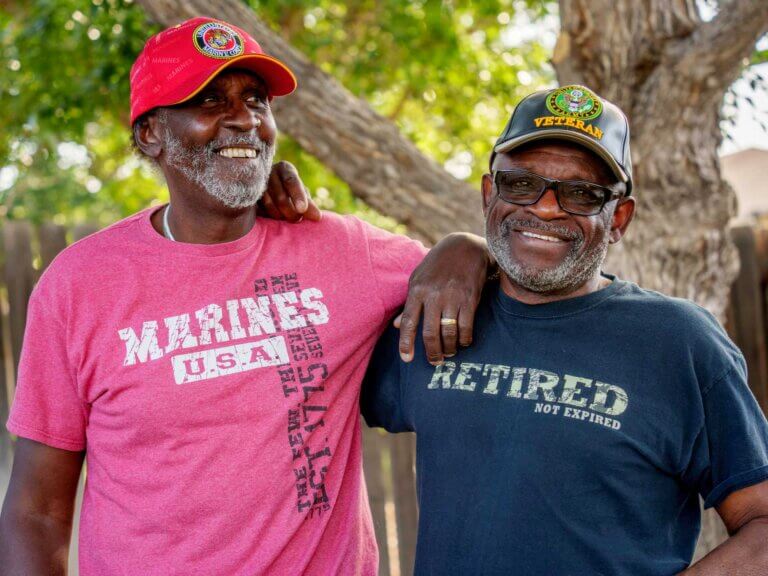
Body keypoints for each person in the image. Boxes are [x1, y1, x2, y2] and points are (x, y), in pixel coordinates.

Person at [0, 17, 492, 575]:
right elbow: (36, 511)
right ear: (150, 133)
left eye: (256, 99)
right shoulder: (78, 285)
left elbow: (500, 275)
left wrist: (468, 246)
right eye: (209, 101)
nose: (243, 119)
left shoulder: (345, 253)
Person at [362, 84, 768, 575]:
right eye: (520, 184)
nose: (547, 208)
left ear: (618, 218)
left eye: (581, 193)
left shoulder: (680, 343)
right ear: (490, 194)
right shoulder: (436, 317)